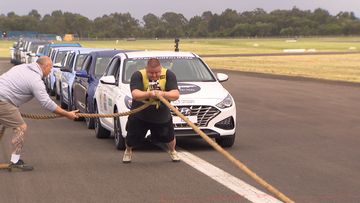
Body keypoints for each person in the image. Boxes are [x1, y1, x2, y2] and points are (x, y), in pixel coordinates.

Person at [0, 56, 78, 171]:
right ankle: (15, 162)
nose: (50, 71)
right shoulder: (35, 80)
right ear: (45, 66)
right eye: (50, 68)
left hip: (4, 100)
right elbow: (46, 103)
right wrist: (67, 114)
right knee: (21, 128)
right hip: (3, 101)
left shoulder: (22, 67)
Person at [123, 58, 180, 163]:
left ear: (161, 68)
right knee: (131, 137)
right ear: (146, 69)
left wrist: (163, 94)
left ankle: (172, 151)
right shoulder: (138, 75)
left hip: (161, 112)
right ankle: (128, 150)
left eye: (157, 72)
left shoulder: (169, 74)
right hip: (140, 112)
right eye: (151, 73)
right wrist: (149, 94)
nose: (154, 75)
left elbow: (175, 94)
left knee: (168, 136)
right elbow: (135, 94)